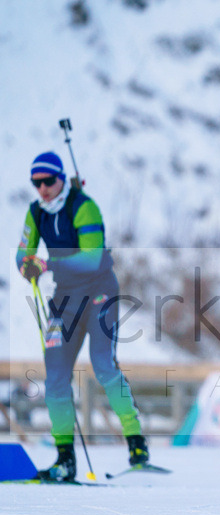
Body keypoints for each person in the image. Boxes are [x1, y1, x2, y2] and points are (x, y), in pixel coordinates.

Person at [16, 151, 151, 481]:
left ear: (61, 178)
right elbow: (24, 253)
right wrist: (27, 266)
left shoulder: (84, 206)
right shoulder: (36, 212)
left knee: (104, 367)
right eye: (37, 183)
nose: (43, 189)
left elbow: (91, 259)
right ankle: (65, 459)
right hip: (64, 300)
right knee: (55, 377)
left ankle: (136, 441)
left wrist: (48, 264)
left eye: (48, 181)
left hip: (99, 294)